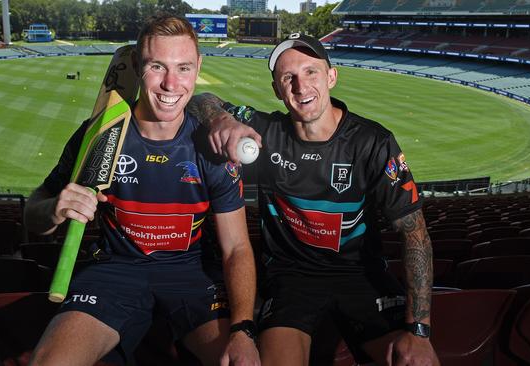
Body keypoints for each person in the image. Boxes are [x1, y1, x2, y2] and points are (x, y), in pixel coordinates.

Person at [188, 33, 439, 366]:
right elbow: (200, 99)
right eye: (287, 77)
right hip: (291, 279)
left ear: (331, 77)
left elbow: (415, 233)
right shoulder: (266, 133)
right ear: (277, 90)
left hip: (362, 277)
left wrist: (420, 330)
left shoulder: (373, 142)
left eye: (311, 72)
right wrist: (222, 120)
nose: (300, 86)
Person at [24, 14, 260, 366]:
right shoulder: (98, 135)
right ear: (137, 65)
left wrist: (243, 329)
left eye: (183, 68)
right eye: (156, 67)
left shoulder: (212, 147)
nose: (170, 84)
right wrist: (55, 209)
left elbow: (237, 248)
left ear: (198, 66)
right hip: (114, 271)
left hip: (190, 274)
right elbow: (33, 216)